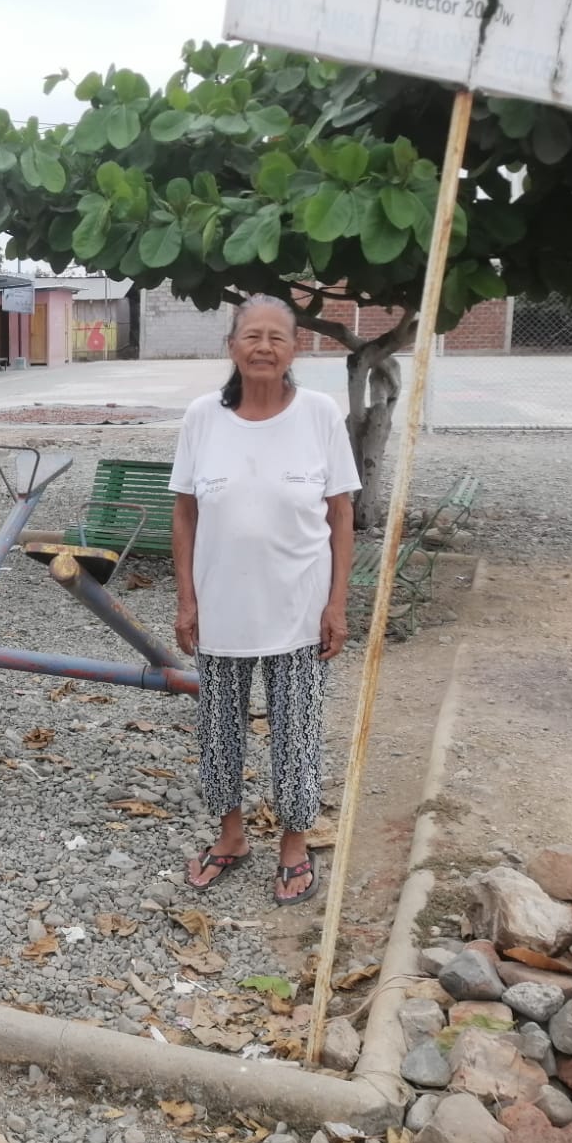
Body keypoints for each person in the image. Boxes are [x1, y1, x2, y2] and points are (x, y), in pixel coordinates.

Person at [169, 293, 359, 906]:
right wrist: (187, 599)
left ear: (295, 348)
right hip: (221, 608)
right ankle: (231, 837)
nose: (264, 347)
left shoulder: (319, 415)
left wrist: (336, 605)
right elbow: (185, 512)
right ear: (232, 346)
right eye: (252, 335)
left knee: (297, 732)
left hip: (299, 610)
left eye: (277, 337)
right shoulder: (203, 416)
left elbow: (341, 514)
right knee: (218, 730)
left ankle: (294, 846)